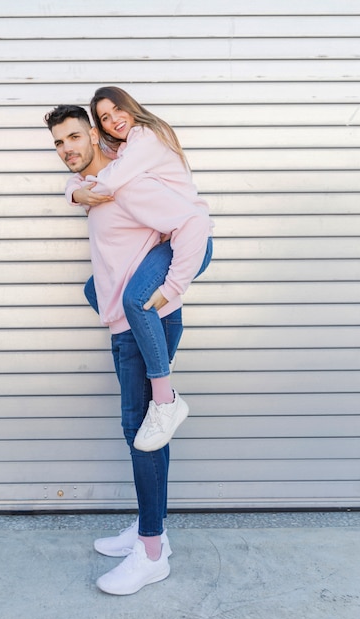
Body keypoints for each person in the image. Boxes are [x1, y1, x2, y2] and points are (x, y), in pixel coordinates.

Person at [45, 102, 211, 595]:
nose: (67, 149)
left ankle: (152, 551)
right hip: (124, 323)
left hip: (148, 321)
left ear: (95, 137)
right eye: (58, 143)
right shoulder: (95, 192)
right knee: (139, 430)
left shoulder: (129, 185)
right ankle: (147, 526)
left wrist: (173, 287)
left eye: (74, 137)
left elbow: (193, 225)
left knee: (144, 433)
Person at [66, 86, 213, 453]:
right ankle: (157, 349)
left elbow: (111, 180)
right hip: (170, 240)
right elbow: (96, 167)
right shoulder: (124, 146)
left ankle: (166, 401)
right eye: (104, 117)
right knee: (95, 289)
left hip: (190, 242)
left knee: (136, 299)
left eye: (117, 110)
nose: (114, 118)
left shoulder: (146, 136)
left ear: (131, 108)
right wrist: (73, 190)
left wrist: (81, 193)